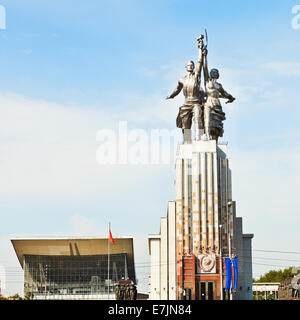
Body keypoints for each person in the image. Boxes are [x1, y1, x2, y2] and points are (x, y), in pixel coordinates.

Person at [166, 35, 206, 142]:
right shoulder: (182, 79)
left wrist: (199, 48)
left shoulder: (196, 76)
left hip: (196, 103)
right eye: (188, 65)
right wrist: (171, 95)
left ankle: (198, 139)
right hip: (186, 104)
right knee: (186, 125)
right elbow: (177, 89)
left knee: (197, 118)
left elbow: (199, 62)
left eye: (191, 65)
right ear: (185, 67)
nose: (190, 66)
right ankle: (187, 142)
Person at [202, 48, 235, 142]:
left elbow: (225, 93)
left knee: (216, 125)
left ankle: (214, 142)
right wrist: (205, 56)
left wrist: (231, 97)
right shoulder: (207, 82)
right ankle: (208, 138)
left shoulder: (219, 85)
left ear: (217, 74)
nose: (214, 73)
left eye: (215, 72)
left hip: (217, 105)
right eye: (212, 72)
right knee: (207, 120)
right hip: (209, 102)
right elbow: (205, 68)